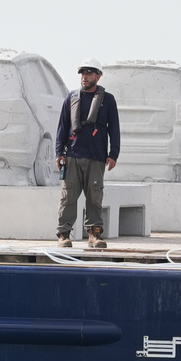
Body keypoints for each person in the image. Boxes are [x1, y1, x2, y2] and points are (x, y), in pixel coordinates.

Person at [55, 58, 120, 249]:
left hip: (97, 156)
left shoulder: (108, 100)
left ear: (98, 76)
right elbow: (62, 127)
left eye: (89, 73)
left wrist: (113, 153)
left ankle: (94, 234)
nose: (84, 77)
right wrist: (59, 152)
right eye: (82, 73)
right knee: (68, 197)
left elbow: (114, 128)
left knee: (95, 196)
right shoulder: (71, 98)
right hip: (72, 155)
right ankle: (64, 234)